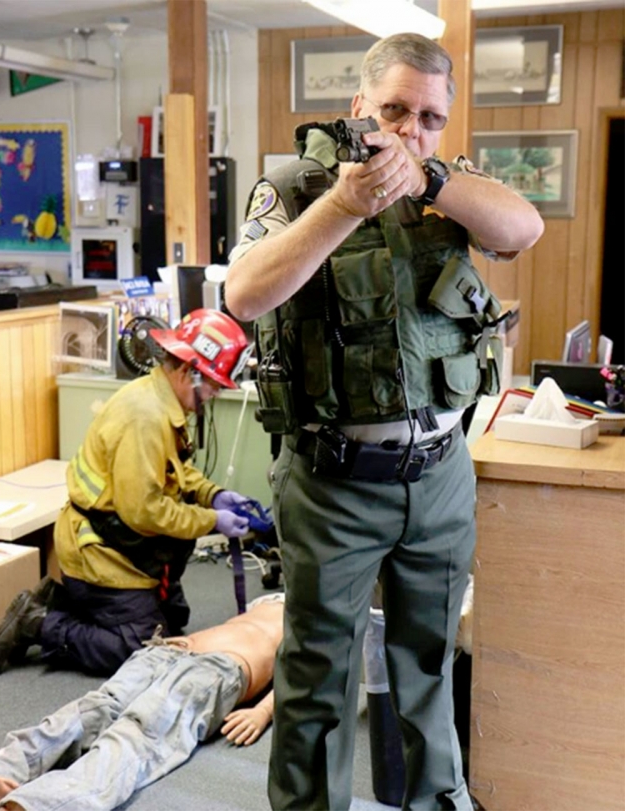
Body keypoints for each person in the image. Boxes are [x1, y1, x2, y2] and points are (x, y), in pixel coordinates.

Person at [225, 32, 544, 811]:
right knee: (317, 680)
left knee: (429, 669)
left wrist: (432, 176)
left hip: (437, 476)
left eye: (430, 117)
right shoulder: (294, 186)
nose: (411, 130)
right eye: (395, 110)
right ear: (359, 105)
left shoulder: (450, 189)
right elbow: (244, 295)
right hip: (332, 481)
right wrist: (347, 201)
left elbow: (523, 229)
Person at [0, 309, 255, 679]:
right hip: (100, 550)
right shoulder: (145, 417)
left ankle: (71, 603)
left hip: (124, 543)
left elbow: (174, 471)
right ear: (188, 371)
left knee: (174, 621)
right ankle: (40, 622)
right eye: (213, 384)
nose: (214, 394)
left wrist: (213, 495)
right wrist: (212, 521)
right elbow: (144, 512)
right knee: (141, 648)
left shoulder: (162, 400)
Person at [0, 594, 284, 811]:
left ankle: (6, 774)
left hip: (192, 658)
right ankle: (24, 790)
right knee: (118, 722)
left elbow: (305, 674)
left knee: (114, 718)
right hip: (179, 655)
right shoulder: (305, 606)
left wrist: (263, 710)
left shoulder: (306, 613)